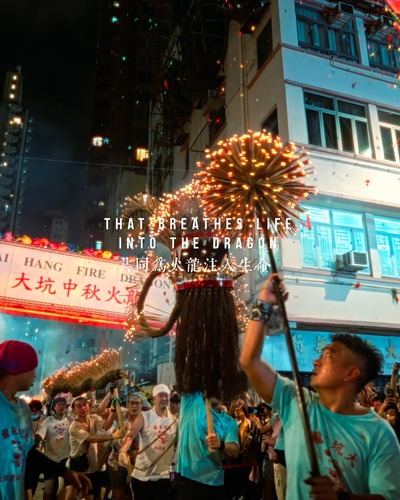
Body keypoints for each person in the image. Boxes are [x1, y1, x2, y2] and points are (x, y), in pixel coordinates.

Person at [240, 274, 400, 500]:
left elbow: (387, 497)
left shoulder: (378, 432)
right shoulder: (296, 402)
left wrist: (341, 498)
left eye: (327, 356)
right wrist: (264, 302)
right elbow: (249, 361)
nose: (316, 361)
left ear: (351, 373)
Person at [0, 339, 91, 499]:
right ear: (15, 368)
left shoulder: (22, 409)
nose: (35, 374)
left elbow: (28, 453)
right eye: (31, 367)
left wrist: (64, 472)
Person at [119, 384, 178, 500]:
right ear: (154, 398)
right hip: (142, 477)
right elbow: (130, 436)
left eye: (166, 395)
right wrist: (122, 451)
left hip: (163, 476)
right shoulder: (144, 416)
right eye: (160, 395)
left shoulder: (175, 421)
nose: (164, 398)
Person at [176, 393, 239, 500]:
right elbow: (188, 378)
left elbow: (234, 451)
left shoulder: (229, 422)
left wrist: (221, 445)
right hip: (188, 479)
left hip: (214, 482)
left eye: (222, 389)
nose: (219, 391)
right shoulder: (191, 401)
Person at [66, 394, 125, 500]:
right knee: (71, 495)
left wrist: (112, 410)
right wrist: (113, 436)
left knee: (89, 495)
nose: (83, 408)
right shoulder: (74, 427)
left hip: (92, 465)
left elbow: (106, 425)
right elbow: (92, 438)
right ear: (74, 410)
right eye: (79, 406)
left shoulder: (93, 418)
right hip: (78, 465)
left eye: (85, 405)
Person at [35, 396, 72, 499]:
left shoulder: (70, 420)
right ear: (54, 407)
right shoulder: (48, 421)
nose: (61, 407)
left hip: (65, 458)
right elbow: (39, 435)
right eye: (59, 405)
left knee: (62, 486)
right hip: (50, 459)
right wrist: (38, 447)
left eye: (63, 405)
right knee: (49, 488)